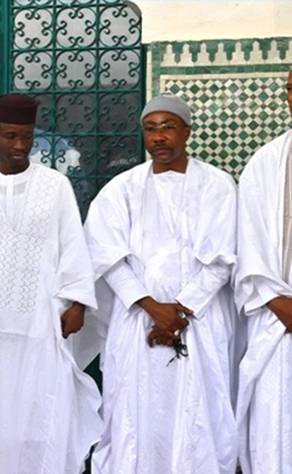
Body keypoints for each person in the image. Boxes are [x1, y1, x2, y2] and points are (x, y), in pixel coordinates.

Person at [0, 94, 101, 473]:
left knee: (38, 411)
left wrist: (77, 302)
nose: (20, 146)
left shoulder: (56, 186)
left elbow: (72, 245)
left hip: (39, 324)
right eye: (10, 136)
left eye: (26, 137)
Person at [84, 93, 238, 473]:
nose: (158, 137)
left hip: (199, 321)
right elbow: (105, 256)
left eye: (168, 127)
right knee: (133, 412)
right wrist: (153, 309)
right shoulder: (122, 188)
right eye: (150, 129)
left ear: (187, 132)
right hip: (138, 321)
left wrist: (179, 312)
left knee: (200, 410)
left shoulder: (217, 185)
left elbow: (223, 258)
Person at [234, 49, 292, 474]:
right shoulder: (264, 162)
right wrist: (276, 301)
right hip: (276, 323)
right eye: (290, 89)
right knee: (274, 428)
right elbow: (248, 239)